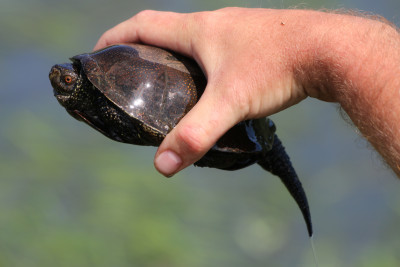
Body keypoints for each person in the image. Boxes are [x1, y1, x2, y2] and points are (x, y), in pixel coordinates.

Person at [94, 8, 400, 178]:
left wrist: (320, 49)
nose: (60, 78)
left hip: (245, 133)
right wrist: (321, 46)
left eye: (68, 80)